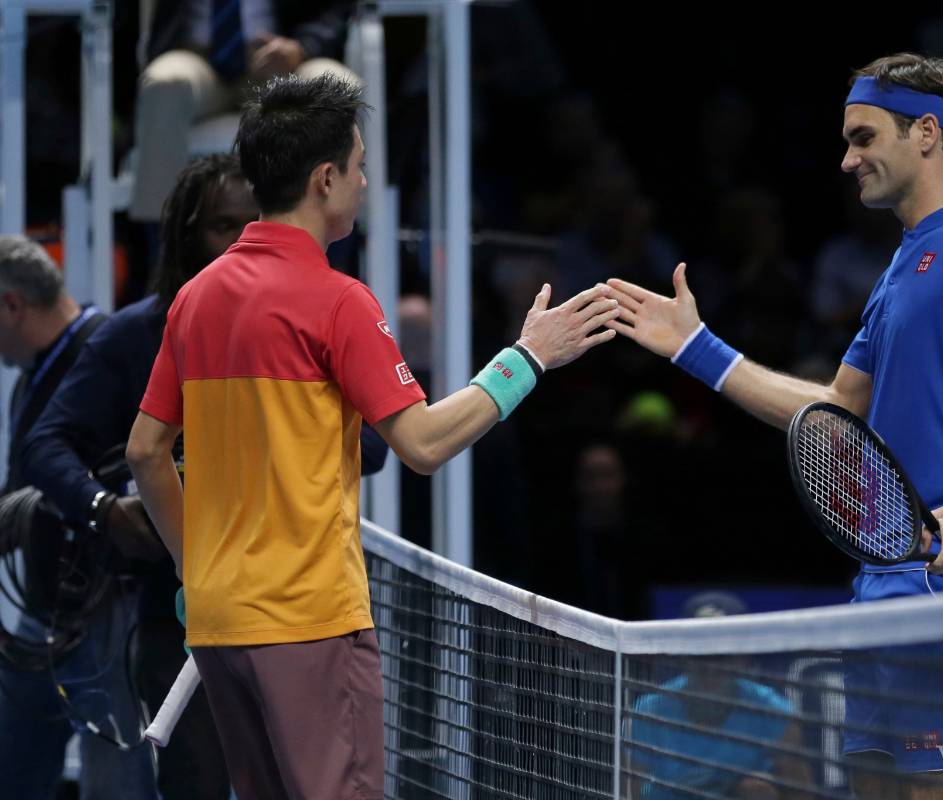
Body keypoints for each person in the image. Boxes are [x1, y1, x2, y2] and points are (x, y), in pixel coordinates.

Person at [605, 53, 943, 800]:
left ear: (927, 133)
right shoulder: (898, 271)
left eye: (864, 137)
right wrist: (696, 350)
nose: (847, 159)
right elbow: (835, 415)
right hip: (881, 583)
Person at [125, 73, 620, 799]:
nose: (362, 182)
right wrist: (528, 360)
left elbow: (145, 452)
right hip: (308, 623)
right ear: (325, 179)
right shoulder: (337, 302)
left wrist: (195, 569)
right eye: (359, 167)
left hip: (220, 623)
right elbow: (421, 445)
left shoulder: (195, 298)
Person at [21, 153, 379, 799]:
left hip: (300, 618)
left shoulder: (317, 317)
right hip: (181, 617)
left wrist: (300, 417)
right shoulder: (140, 334)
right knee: (194, 784)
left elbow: (381, 442)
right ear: (185, 233)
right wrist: (104, 508)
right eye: (222, 227)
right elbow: (68, 445)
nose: (240, 242)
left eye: (251, 223)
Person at [0, 236, 156, 798]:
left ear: (12, 305)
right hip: (44, 606)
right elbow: (26, 481)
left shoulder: (106, 351)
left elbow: (140, 470)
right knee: (14, 764)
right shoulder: (29, 379)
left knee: (114, 774)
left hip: (104, 605)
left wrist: (92, 505)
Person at [129, 0, 358, 227]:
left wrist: (303, 47)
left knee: (337, 86)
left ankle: (338, 249)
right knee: (164, 83)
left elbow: (337, 8)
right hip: (196, 56)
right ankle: (161, 249)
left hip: (281, 57)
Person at [627, 591, 811, 800]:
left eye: (721, 654)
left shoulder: (775, 714)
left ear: (743, 658)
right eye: (700, 653)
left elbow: (800, 794)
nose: (710, 667)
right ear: (681, 656)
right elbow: (626, 790)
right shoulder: (648, 712)